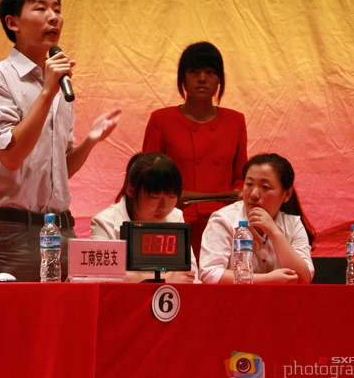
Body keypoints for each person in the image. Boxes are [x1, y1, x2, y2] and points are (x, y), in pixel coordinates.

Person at [0, 0, 122, 282]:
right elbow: (11, 157)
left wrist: (90, 140)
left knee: (70, 314)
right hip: (15, 234)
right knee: (17, 314)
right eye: (40, 9)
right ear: (12, 22)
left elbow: (58, 170)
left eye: (57, 9)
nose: (53, 17)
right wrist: (47, 92)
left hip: (62, 230)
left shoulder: (57, 84)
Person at [142, 41, 247, 264]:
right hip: (174, 222)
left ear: (220, 79)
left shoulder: (235, 121)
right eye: (194, 71)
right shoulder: (161, 120)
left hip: (222, 223)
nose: (202, 78)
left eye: (210, 72)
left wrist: (238, 193)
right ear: (182, 78)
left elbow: (241, 176)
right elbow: (147, 176)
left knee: (219, 280)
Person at [198, 153, 316, 284]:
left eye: (265, 187)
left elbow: (303, 278)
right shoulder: (223, 220)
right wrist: (268, 280)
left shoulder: (293, 224)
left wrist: (275, 232)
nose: (254, 194)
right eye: (249, 184)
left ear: (287, 194)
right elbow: (209, 274)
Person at [90, 152, 199, 283]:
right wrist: (164, 278)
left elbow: (190, 275)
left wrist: (132, 278)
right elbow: (98, 276)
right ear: (131, 191)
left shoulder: (175, 217)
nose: (164, 207)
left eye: (172, 197)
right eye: (155, 197)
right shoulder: (105, 222)